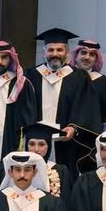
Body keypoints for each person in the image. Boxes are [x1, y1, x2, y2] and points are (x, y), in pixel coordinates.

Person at [27, 28, 91, 172]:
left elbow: (84, 107)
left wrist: (74, 127)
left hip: (66, 141)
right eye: (51, 50)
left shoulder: (79, 77)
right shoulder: (31, 76)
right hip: (37, 142)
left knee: (64, 175)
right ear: (44, 52)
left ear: (67, 52)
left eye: (59, 50)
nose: (55, 54)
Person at [69, 38, 106, 172]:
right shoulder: (66, 79)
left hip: (93, 139)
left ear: (96, 59)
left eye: (92, 54)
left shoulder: (105, 83)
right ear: (76, 55)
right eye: (83, 53)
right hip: (68, 137)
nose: (87, 57)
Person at [23, 121, 73, 199]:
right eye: (32, 144)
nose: (36, 149)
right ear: (26, 146)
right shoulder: (18, 169)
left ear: (49, 147)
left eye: (41, 144)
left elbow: (66, 201)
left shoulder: (60, 171)